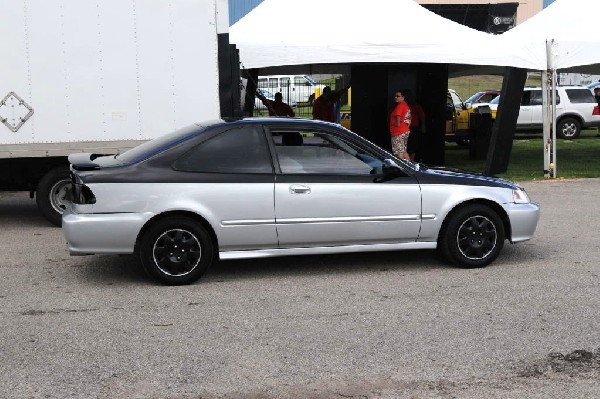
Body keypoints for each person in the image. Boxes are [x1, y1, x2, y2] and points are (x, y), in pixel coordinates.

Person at [389, 89, 412, 160]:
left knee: (398, 153)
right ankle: (410, 168)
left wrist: (397, 125)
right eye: (395, 96)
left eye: (398, 96)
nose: (396, 97)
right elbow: (409, 120)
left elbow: (398, 122)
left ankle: (402, 169)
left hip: (398, 132)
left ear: (403, 97)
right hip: (405, 131)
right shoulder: (406, 106)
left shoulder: (399, 106)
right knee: (404, 151)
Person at [404, 90, 426, 161]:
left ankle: (411, 161)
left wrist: (423, 125)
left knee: (413, 147)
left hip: (413, 129)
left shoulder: (416, 106)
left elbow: (422, 116)